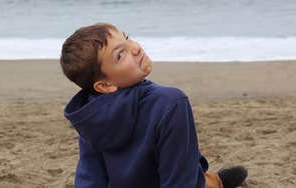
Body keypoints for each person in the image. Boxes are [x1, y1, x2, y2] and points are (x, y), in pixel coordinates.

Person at [60, 23, 247, 188]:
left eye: (126, 38)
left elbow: (90, 177)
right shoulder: (170, 101)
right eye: (120, 55)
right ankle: (214, 183)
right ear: (105, 85)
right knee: (195, 176)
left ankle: (212, 181)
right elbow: (179, 178)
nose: (135, 48)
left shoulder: (91, 113)